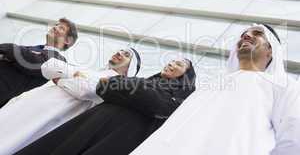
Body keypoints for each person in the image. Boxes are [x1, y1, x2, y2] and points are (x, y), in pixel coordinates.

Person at [130, 24, 300, 155]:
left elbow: (292, 141)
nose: (246, 36)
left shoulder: (284, 86)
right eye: (244, 35)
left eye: (258, 34)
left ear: (270, 51)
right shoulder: (209, 87)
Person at [15, 58, 196, 155]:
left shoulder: (179, 96)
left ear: (186, 75)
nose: (171, 64)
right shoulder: (143, 81)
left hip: (119, 136)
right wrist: (131, 90)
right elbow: (102, 89)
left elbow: (158, 105)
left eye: (178, 64)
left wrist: (121, 85)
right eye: (171, 61)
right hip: (93, 122)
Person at [0, 48, 141, 155]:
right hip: (33, 103)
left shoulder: (117, 84)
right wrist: (74, 75)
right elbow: (48, 67)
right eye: (120, 51)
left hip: (47, 114)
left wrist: (60, 79)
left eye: (126, 55)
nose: (120, 53)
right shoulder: (95, 72)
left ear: (130, 68)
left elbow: (84, 90)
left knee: (11, 136)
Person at [0, 18, 78, 108]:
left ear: (67, 41)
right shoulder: (35, 48)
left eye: (61, 28)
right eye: (56, 25)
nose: (55, 27)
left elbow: (26, 58)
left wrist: (7, 50)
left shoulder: (58, 61)